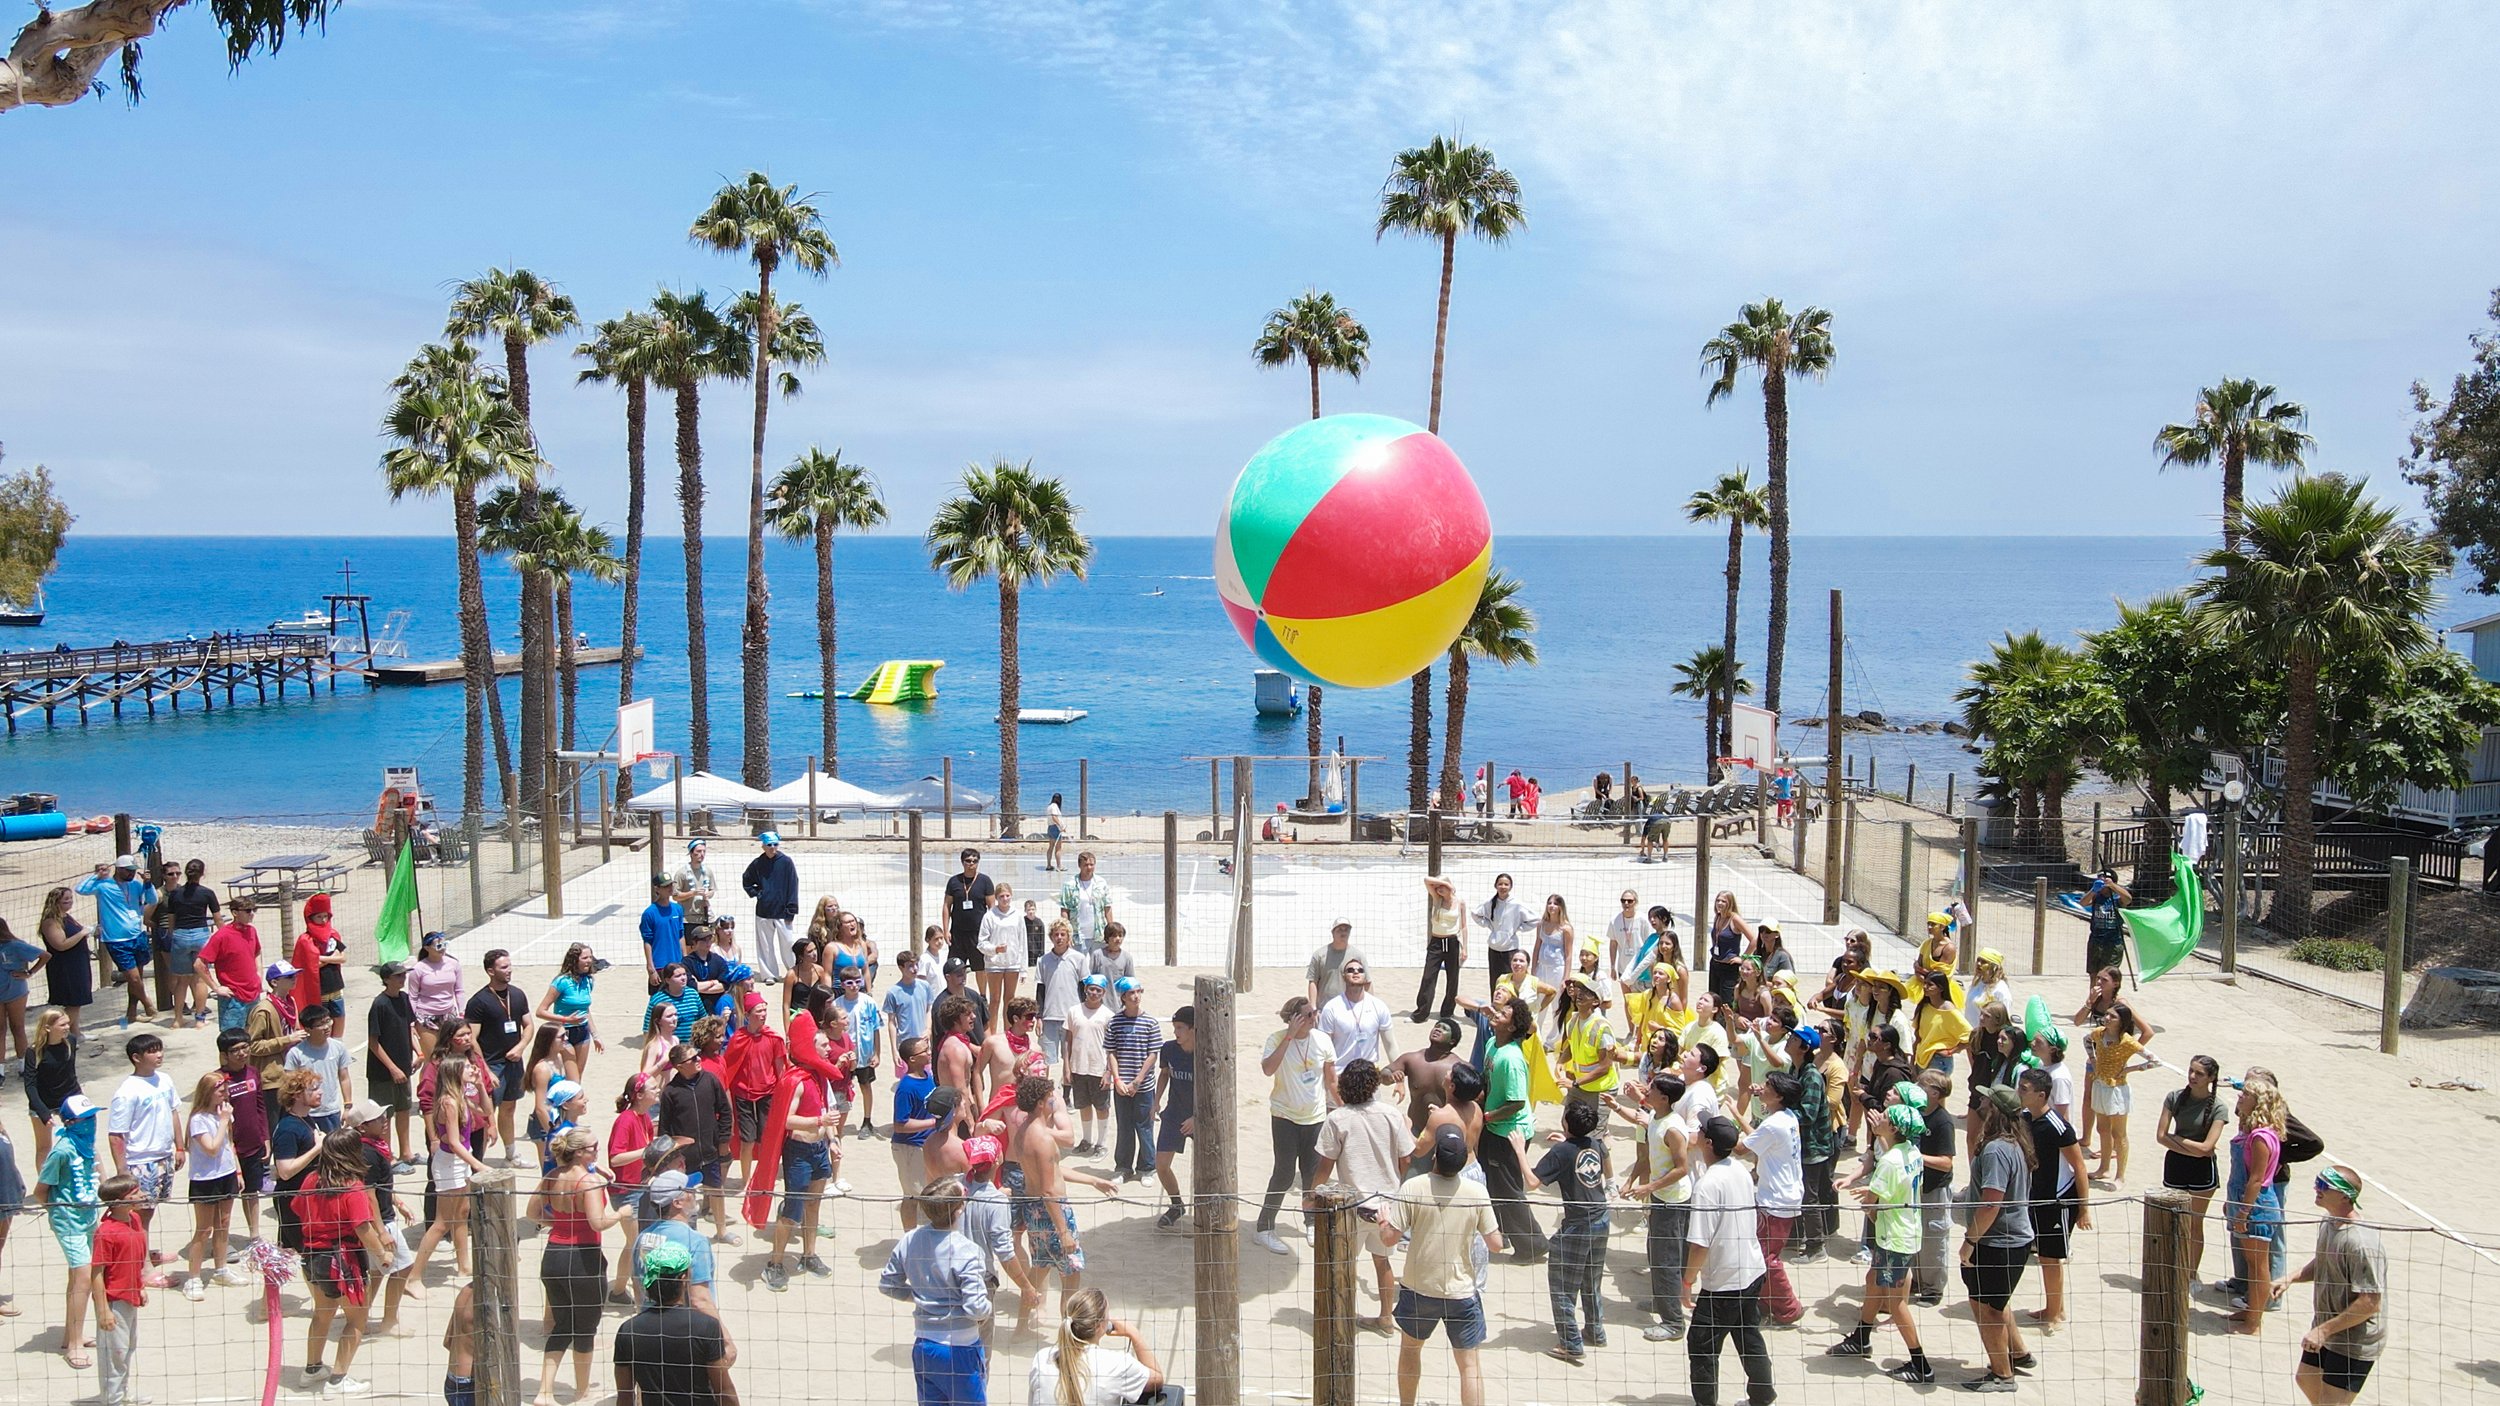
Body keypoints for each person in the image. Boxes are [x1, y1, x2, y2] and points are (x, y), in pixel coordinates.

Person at [1384, 1125, 1501, 1406]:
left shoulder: (1413, 1187)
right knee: (1469, 1364)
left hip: (1419, 1287)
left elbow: (1389, 1238)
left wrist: (1382, 1221)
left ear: (1435, 1155)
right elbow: (1496, 1244)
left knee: (1410, 1350)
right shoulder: (1476, 1192)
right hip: (1461, 1291)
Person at [1828, 1102, 1935, 1382]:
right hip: (1908, 1229)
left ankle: (1920, 1364)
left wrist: (1867, 1198)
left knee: (1897, 1302)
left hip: (1893, 1237)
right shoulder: (1911, 1150)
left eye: (1885, 1117)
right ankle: (1861, 1338)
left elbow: (1871, 1204)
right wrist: (1881, 1135)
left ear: (1895, 1128)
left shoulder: (1889, 1161)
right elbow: (1892, 1171)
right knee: (1873, 1279)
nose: (1880, 1118)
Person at [1309, 1057, 1409, 1331]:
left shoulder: (1337, 1118)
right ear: (1374, 1085)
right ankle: (1386, 1317)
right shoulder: (1391, 1114)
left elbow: (1325, 1165)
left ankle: (1340, 1318)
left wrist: (1312, 1194)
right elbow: (1406, 1158)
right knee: (1382, 1261)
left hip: (1352, 1207)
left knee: (1342, 1263)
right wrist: (1395, 1182)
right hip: (1387, 1206)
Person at [1683, 1115, 1774, 1406]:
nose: (1697, 1132)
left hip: (1724, 1281)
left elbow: (1700, 1243)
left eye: (1701, 1130)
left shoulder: (1707, 1185)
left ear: (1708, 1143)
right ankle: (1762, 1397)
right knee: (1749, 1336)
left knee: (1701, 1344)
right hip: (1751, 1269)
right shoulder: (1739, 1169)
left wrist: (1687, 1281)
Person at [296, 1128, 394, 1395]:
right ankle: (338, 1380)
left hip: (311, 1256)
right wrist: (382, 1255)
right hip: (341, 1260)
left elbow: (298, 1209)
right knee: (357, 1319)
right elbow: (363, 1228)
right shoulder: (352, 1187)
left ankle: (312, 1369)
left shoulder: (311, 1180)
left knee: (322, 1312)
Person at [528, 1127, 620, 1406]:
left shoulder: (552, 1176)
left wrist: (559, 1223)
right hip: (583, 1258)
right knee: (585, 1329)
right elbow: (598, 1222)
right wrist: (622, 1214)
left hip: (554, 1255)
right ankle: (582, 1391)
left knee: (563, 1325)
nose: (598, 1151)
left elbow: (532, 1213)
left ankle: (544, 1392)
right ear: (579, 1152)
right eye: (594, 1147)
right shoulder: (588, 1181)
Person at [881, 1175, 992, 1405]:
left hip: (924, 1345)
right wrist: (987, 1309)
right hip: (960, 1348)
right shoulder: (967, 1251)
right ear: (959, 1210)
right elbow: (976, 1308)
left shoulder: (910, 1239)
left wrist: (919, 1297)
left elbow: (888, 1284)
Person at [1960, 1086, 2036, 1393]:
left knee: (1985, 1307)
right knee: (1996, 1301)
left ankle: (2003, 1375)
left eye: (1985, 1099)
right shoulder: (2015, 1143)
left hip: (1997, 1242)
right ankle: (2018, 1353)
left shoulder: (1995, 1150)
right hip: (2011, 1240)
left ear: (1994, 1110)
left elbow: (1992, 1203)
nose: (1979, 1101)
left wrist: (1970, 1241)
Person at [1526, 1096, 1612, 1362]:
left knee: (1562, 1285)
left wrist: (1518, 1150)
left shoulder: (1562, 1152)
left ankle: (1571, 1343)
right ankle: (1595, 1331)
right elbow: (1604, 1157)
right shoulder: (1594, 1143)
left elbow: (1532, 1182)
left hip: (1578, 1225)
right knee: (1591, 1281)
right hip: (1601, 1218)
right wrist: (1567, 1142)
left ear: (1566, 1123)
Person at [2291, 1164, 2384, 1406]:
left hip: (2354, 1339)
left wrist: (2323, 1331)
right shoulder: (2329, 1222)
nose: (2316, 1188)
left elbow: (2370, 1302)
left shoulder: (2361, 1242)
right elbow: (2324, 1261)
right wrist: (2290, 1278)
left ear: (2344, 1196)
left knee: (2331, 1402)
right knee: (2305, 1378)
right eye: (2317, 1182)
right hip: (2328, 1326)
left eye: (2323, 1185)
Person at [1252, 997, 1336, 1257]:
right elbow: (1268, 1069)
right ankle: (1264, 1227)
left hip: (1315, 1116)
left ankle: (1310, 1222)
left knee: (1312, 1174)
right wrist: (1289, 1036)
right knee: (1284, 1173)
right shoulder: (1277, 1039)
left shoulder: (1322, 1040)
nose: (1313, 1018)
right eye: (1307, 1015)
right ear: (1293, 1018)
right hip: (1284, 1116)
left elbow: (1331, 1080)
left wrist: (1343, 1108)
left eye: (1314, 1013)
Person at [614, 1237, 738, 1406]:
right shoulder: (705, 1327)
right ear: (684, 1278)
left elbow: (625, 1397)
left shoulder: (628, 1330)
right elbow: (724, 1390)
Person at [1615, 1073, 1692, 1341]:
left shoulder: (1673, 1129)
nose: (1646, 1090)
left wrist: (1649, 1187)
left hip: (1673, 1201)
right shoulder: (1654, 1119)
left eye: (1653, 1088)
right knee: (1655, 1253)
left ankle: (1673, 1322)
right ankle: (1661, 1301)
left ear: (1665, 1098)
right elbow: (1647, 1156)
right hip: (1661, 1197)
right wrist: (1631, 1180)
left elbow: (1682, 1168)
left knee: (1666, 1260)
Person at [2019, 1065, 2090, 1334]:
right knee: (2044, 1256)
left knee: (2051, 1257)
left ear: (2041, 1095)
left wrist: (2084, 1209)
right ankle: (2053, 1307)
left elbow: (2079, 1166)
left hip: (2059, 1199)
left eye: (2024, 1089)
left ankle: (2056, 1313)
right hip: (2037, 1196)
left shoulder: (2058, 1126)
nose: (2019, 1092)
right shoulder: (2025, 1118)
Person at [35, 1094, 104, 1368]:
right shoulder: (62, 1151)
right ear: (71, 1122)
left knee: (78, 1277)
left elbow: (99, 1178)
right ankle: (74, 1345)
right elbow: (41, 1190)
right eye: (86, 1118)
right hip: (68, 1220)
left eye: (93, 1117)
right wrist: (57, 1212)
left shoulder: (88, 1146)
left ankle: (71, 1334)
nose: (92, 1122)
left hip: (89, 1216)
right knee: (84, 1276)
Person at [1477, 1000, 1546, 1261]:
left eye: (1504, 1014)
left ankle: (1532, 1244)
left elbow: (1516, 1102)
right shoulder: (1492, 1044)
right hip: (1493, 1127)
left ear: (1513, 1026)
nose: (1497, 1014)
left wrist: (1487, 1116)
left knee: (1508, 1189)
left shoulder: (1512, 1059)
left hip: (1509, 1132)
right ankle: (1502, 1233)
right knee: (1493, 1184)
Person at [1736, 1070, 1806, 1324]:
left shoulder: (1774, 1124)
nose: (1762, 1088)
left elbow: (1741, 1149)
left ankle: (1788, 1309)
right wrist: (1737, 1116)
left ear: (1778, 1096)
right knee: (1761, 1254)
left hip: (1776, 1200)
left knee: (1766, 1258)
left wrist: (1719, 1129)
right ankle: (1765, 1303)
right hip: (1785, 1195)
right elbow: (1758, 1139)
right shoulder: (1787, 1118)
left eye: (1767, 1086)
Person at [1031, 1285, 1176, 1406]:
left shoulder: (1042, 1358)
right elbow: (1157, 1380)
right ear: (1100, 1326)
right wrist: (1135, 1335)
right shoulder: (1118, 1363)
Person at [2226, 1074, 2288, 1336]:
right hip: (2244, 1200)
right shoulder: (2251, 1132)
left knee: (2258, 1265)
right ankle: (2250, 1310)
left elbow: (2256, 1179)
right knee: (2251, 1264)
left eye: (2246, 1095)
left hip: (2257, 1205)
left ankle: (2254, 1322)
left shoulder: (2261, 1137)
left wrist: (2243, 1212)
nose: (2240, 1097)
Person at [656, 1042, 735, 1243]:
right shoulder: (670, 1092)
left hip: (710, 1150)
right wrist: (670, 1158)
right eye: (692, 1058)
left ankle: (722, 1232)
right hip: (684, 1157)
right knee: (686, 1195)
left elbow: (725, 1112)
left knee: (716, 1190)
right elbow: (664, 1129)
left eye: (697, 1055)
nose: (698, 1059)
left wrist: (723, 1140)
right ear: (680, 1066)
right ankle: (689, 1234)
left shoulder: (710, 1080)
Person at [2158, 1055, 2228, 1280]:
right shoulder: (2175, 1097)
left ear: (2211, 1078)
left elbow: (2207, 1147)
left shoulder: (2218, 1107)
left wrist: (2178, 1140)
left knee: (2195, 1223)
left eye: (2199, 1073)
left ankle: (2190, 1274)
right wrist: (2194, 1149)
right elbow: (2161, 1136)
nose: (2192, 1076)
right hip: (2176, 1165)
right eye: (2191, 1071)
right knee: (2173, 1220)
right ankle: (2171, 1268)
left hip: (2202, 1171)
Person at [173, 1071, 242, 1299]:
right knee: (204, 1230)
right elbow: (211, 1148)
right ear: (208, 1092)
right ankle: (193, 1278)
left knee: (224, 1224)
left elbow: (229, 1144)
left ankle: (221, 1269)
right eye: (220, 1090)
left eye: (226, 1090)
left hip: (226, 1174)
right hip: (205, 1178)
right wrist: (223, 1121)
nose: (225, 1094)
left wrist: (238, 1170)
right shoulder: (199, 1119)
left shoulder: (224, 1113)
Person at [89, 1172, 149, 1406]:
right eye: (135, 1192)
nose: (142, 1194)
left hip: (130, 1297)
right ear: (119, 1201)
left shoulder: (134, 1219)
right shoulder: (106, 1232)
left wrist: (140, 1286)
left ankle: (121, 1394)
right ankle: (111, 1400)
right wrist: (103, 1309)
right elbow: (97, 1273)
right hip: (114, 1301)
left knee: (127, 1349)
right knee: (114, 1354)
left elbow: (135, 1259)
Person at [107, 1032, 181, 1221]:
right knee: (139, 1215)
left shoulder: (165, 1079)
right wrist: (123, 1171)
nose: (159, 1055)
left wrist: (180, 1147)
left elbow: (173, 1112)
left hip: (165, 1157)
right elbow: (116, 1134)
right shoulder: (127, 1091)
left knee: (152, 1210)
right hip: (141, 1161)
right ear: (137, 1058)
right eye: (152, 1051)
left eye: (160, 1050)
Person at [2085, 1000, 2153, 1187]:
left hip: (2117, 1090)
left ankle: (2120, 1175)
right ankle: (2104, 1168)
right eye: (2107, 1014)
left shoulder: (2127, 1041)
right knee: (2103, 1129)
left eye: (2112, 1016)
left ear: (2121, 1022)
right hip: (2100, 1084)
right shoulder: (2099, 1033)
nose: (2107, 1018)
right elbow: (2087, 1040)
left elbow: (2153, 1060)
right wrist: (2093, 1058)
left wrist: (2130, 1069)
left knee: (2119, 1133)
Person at [77, 857, 154, 1022]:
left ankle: (131, 1013)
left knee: (137, 979)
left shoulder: (135, 885)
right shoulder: (103, 886)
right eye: (128, 870)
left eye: (133, 870)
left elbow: (152, 899)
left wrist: (148, 884)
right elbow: (81, 889)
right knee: (133, 978)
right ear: (118, 869)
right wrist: (97, 875)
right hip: (117, 940)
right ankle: (148, 1004)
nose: (132, 873)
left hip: (137, 935)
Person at [1104, 978, 1162, 1182]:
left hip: (1143, 1086)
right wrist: (1117, 1080)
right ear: (1123, 997)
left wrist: (1137, 1081)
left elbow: (1153, 1054)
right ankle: (1123, 1167)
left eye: (1138, 992)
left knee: (1144, 1127)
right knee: (1124, 1127)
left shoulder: (1150, 1022)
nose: (1136, 996)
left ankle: (1147, 1168)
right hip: (1121, 1085)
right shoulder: (1115, 1022)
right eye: (1131, 993)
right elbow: (1111, 1052)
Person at [364, 962, 421, 1164]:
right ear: (386, 979)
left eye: (404, 975)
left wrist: (419, 1052)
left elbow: (409, 1028)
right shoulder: (379, 1004)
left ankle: (406, 1152)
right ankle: (387, 1157)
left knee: (403, 1109)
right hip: (382, 1072)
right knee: (384, 1115)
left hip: (404, 1067)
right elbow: (373, 1043)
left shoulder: (404, 999)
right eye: (398, 976)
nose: (402, 978)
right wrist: (392, 1068)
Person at [1150, 1006, 1196, 1229]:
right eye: (1174, 1027)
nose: (1175, 1032)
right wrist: (1156, 1100)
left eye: (1180, 1028)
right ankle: (1177, 1204)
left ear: (1193, 1029)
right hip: (1174, 1113)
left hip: (1203, 1117)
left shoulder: (1206, 1052)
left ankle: (1209, 1207)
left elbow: (1216, 1089)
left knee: (1207, 1168)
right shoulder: (1168, 1048)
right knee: (1161, 1165)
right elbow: (1165, 1073)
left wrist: (1197, 1118)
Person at [889, 1038, 939, 1231]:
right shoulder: (906, 1088)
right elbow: (900, 1125)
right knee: (912, 1196)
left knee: (928, 1192)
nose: (929, 1052)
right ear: (912, 1059)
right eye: (924, 1051)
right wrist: (933, 1122)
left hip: (926, 1145)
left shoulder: (928, 1077)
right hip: (909, 1148)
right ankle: (909, 1237)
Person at [1386, 1017, 1465, 1137]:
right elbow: (1384, 1073)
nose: (1438, 1029)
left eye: (1444, 1029)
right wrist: (1391, 1076)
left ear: (1452, 1041)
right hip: (1415, 1130)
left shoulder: (1460, 1068)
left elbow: (1475, 1098)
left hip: (1446, 1133)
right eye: (1436, 1026)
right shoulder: (1412, 1059)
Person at [1316, 957, 1394, 1072]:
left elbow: (1390, 1045)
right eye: (1350, 970)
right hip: (1341, 1073)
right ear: (1343, 976)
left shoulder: (1379, 1006)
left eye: (1360, 970)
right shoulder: (1331, 1007)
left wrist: (1398, 1072)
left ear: (1365, 977)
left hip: (1369, 1074)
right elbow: (1323, 1047)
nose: (1356, 972)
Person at [537, 943, 602, 1084]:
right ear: (574, 960)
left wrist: (595, 1036)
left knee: (578, 1076)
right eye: (585, 958)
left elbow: (585, 1011)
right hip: (563, 1033)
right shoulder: (562, 982)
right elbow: (540, 1011)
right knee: (567, 1075)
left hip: (582, 1032)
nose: (589, 961)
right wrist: (566, 1019)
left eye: (590, 957)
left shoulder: (588, 981)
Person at [740, 832, 799, 985]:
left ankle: (794, 971)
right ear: (763, 846)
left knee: (788, 943)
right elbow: (747, 880)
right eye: (769, 845)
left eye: (775, 844)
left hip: (783, 911)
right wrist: (757, 893)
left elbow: (793, 885)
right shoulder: (757, 863)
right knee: (765, 945)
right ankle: (769, 974)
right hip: (764, 911)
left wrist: (792, 909)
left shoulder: (786, 862)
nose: (772, 848)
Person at [196, 898, 263, 1032]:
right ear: (235, 913)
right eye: (248, 911)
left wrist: (259, 974)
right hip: (233, 997)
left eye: (254, 910)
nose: (252, 914)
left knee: (254, 1035)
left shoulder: (251, 931)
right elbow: (199, 964)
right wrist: (216, 988)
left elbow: (257, 952)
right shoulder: (222, 936)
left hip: (254, 994)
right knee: (231, 1039)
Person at [287, 1004, 356, 1133]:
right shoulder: (296, 1053)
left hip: (332, 1112)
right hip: (306, 1113)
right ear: (308, 1029)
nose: (327, 1027)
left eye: (328, 1021)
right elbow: (290, 1085)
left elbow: (344, 1078)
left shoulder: (338, 1048)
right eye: (320, 1024)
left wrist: (347, 1106)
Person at [1064, 976, 1114, 1156]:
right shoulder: (1074, 1011)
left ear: (1103, 993)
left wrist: (1108, 1071)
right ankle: (1086, 1140)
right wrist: (1066, 1067)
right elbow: (1068, 1040)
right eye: (1091, 989)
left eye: (1098, 990)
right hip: (1078, 1066)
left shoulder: (1108, 1015)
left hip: (1098, 1068)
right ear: (1085, 989)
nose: (1094, 993)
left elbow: (1113, 1047)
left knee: (1101, 1107)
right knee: (1083, 1105)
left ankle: (1101, 1143)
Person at [38, 886, 96, 1038]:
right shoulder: (50, 922)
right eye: (66, 899)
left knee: (76, 1001)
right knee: (74, 1002)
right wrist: (82, 933)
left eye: (71, 898)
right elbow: (61, 945)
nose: (69, 901)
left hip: (78, 963)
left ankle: (75, 1034)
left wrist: (86, 933)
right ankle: (52, 1036)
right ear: (55, 902)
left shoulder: (66, 916)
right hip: (65, 967)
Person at [1413, 876, 1468, 1022]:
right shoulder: (1437, 899)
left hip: (1452, 942)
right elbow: (1426, 880)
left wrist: (1465, 948)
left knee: (1452, 978)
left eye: (1442, 886)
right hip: (1436, 942)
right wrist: (1442, 883)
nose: (1438, 889)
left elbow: (1464, 926)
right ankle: (1421, 1013)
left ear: (1449, 886)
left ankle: (1447, 1013)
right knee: (1428, 976)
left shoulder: (1460, 902)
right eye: (1437, 887)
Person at [1468, 873, 1530, 1000]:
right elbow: (1475, 914)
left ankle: (1511, 1008)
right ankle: (1496, 1007)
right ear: (1495, 886)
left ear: (1511, 886)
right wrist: (1489, 925)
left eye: (1506, 884)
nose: (1503, 887)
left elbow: (1534, 919)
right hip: (1494, 949)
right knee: (1495, 981)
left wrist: (1517, 928)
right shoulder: (1490, 902)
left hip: (1510, 949)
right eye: (1500, 884)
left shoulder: (1517, 904)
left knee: (1511, 981)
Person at [293, 892, 348, 1022]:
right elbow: (311, 966)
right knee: (321, 1022)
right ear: (310, 918)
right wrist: (332, 958)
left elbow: (342, 958)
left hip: (336, 987)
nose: (323, 920)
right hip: (319, 991)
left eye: (325, 916)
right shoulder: (305, 940)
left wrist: (321, 958)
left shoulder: (333, 935)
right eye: (319, 917)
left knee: (339, 1017)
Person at [1035, 923, 1085, 1067]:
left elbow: (1083, 988)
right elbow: (1040, 990)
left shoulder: (1079, 958)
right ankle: (1044, 1083)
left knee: (1071, 1059)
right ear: (1051, 937)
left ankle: (1066, 1083)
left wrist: (1083, 1014)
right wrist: (1039, 1017)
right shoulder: (1043, 960)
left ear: (1068, 937)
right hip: (1049, 1016)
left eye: (1063, 934)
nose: (1059, 938)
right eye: (1056, 934)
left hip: (1072, 1016)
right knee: (1045, 1059)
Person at [409, 931, 464, 1057]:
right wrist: (411, 1022)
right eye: (439, 946)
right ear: (427, 948)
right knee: (432, 1059)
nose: (442, 948)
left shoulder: (454, 964)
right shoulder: (418, 969)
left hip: (449, 1015)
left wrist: (462, 1012)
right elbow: (412, 996)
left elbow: (459, 990)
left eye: (445, 945)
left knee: (451, 1056)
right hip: (426, 1017)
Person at [945, 849, 996, 973]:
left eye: (975, 861)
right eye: (968, 861)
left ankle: (982, 988)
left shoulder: (985, 881)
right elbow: (947, 906)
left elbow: (992, 908)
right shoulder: (954, 881)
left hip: (978, 933)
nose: (971, 863)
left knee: (980, 968)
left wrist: (992, 931)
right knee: (955, 968)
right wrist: (945, 930)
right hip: (957, 933)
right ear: (962, 862)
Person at [980, 882, 1026, 1012]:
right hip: (994, 964)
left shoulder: (1017, 915)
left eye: (1007, 896)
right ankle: (992, 1026)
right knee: (994, 999)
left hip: (1013, 963)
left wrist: (1023, 969)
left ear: (1011, 896)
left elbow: (1022, 943)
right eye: (1001, 896)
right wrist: (995, 949)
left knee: (1010, 1000)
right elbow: (981, 943)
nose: (1005, 899)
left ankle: (1008, 1026)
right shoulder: (989, 916)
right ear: (996, 898)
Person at [1056, 852, 1113, 953]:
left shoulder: (1101, 883)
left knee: (1099, 963)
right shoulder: (1069, 885)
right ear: (1079, 865)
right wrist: (1066, 933)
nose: (1089, 867)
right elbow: (1064, 910)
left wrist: (1111, 929)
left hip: (1099, 936)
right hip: (1077, 936)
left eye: (1091, 864)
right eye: (1086, 865)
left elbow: (1107, 907)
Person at [2079, 871, 2131, 979]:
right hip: (2096, 941)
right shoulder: (2096, 896)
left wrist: (2112, 885)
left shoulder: (2117, 898)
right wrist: (2093, 890)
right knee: (2094, 975)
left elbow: (2128, 899)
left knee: (2107, 976)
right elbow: (2083, 903)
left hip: (2113, 942)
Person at [1305, 921, 1366, 1010]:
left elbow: (1367, 982)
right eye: (1339, 930)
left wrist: (1368, 1006)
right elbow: (1313, 981)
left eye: (1346, 930)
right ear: (1333, 933)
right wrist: (1313, 1008)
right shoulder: (1319, 955)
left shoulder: (1358, 956)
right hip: (1324, 1008)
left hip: (1350, 1008)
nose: (1343, 933)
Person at [1706, 892, 1752, 1008]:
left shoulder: (1735, 919)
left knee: (1726, 1002)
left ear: (1730, 903)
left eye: (1723, 901)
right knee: (1714, 1000)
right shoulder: (1718, 916)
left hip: (1729, 967)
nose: (1719, 903)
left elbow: (1754, 940)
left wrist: (1742, 958)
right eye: (1718, 900)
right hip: (1715, 963)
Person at [672, 839, 719, 931]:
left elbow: (712, 890)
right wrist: (693, 893)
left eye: (704, 851)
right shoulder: (681, 873)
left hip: (705, 917)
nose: (702, 854)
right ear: (691, 853)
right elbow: (675, 896)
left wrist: (708, 894)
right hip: (687, 919)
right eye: (698, 851)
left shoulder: (707, 871)